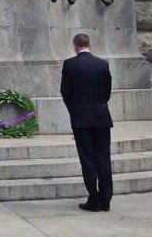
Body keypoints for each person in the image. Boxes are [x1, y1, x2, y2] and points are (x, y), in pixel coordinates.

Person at [60, 34, 113, 212]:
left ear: (75, 46)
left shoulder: (70, 64)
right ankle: (106, 198)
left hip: (80, 118)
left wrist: (74, 109)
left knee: (87, 158)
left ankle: (93, 198)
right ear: (89, 44)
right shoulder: (102, 64)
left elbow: (65, 91)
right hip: (102, 117)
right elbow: (107, 91)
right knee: (104, 158)